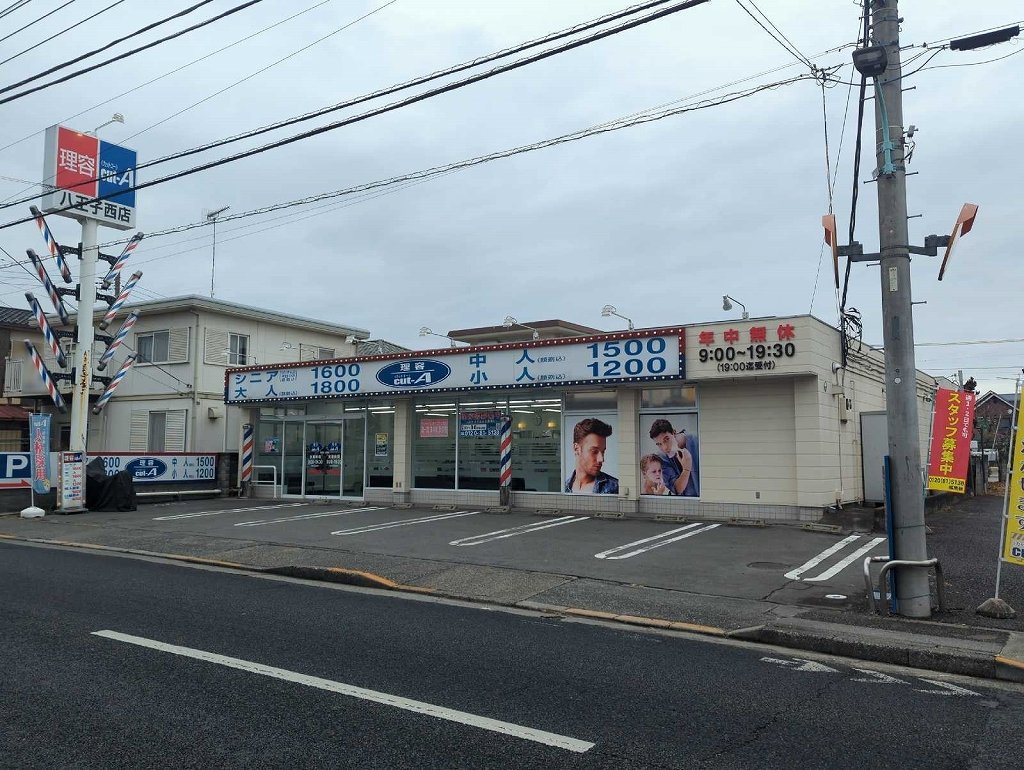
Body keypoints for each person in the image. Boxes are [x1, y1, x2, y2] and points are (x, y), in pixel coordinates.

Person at [564, 418, 619, 494]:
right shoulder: (563, 488)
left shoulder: (615, 488)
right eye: (594, 451)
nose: (601, 459)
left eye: (603, 452)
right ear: (576, 449)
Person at [648, 418, 699, 496]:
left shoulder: (697, 441)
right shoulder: (662, 458)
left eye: (666, 439)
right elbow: (677, 490)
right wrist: (686, 469)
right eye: (659, 444)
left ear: (674, 433)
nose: (664, 448)